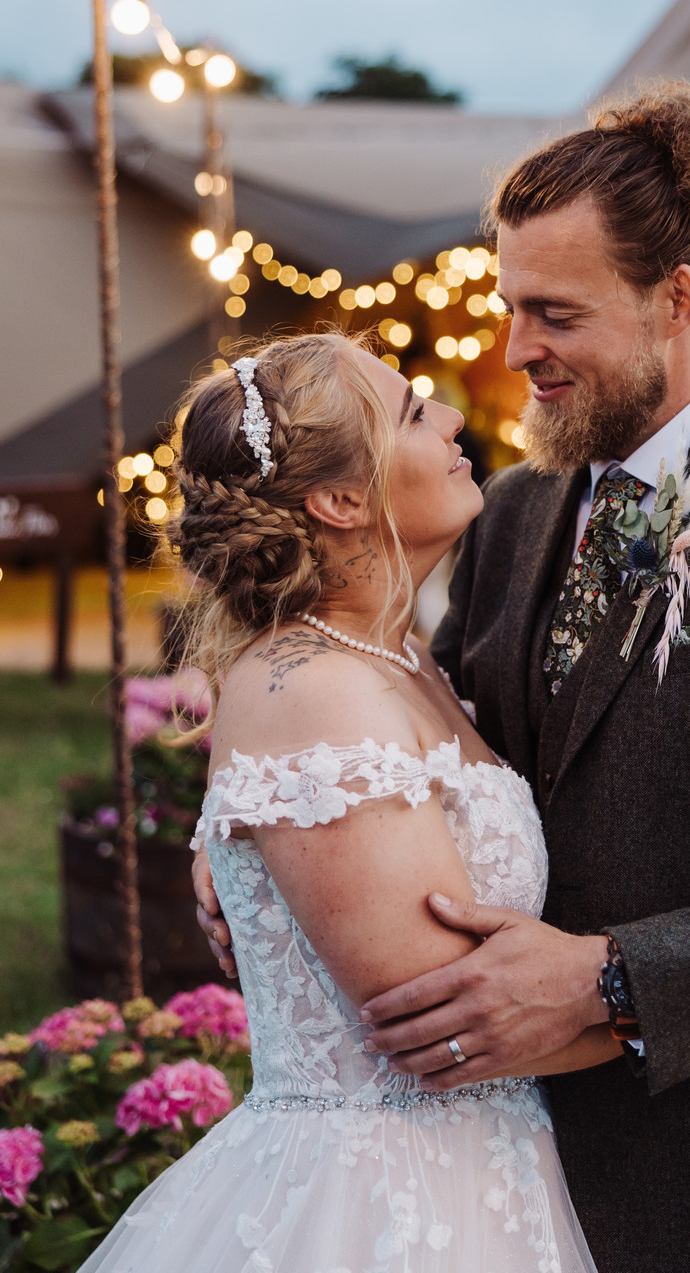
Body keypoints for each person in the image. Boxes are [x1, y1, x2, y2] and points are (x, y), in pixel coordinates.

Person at [197, 84, 690, 1273]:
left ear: (675, 301)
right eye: (511, 308)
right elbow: (424, 743)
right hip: (524, 1171)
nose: (516, 355)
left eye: (554, 314)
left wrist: (615, 980)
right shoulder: (513, 511)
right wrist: (259, 827)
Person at [84, 333, 611, 1273]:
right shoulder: (316, 689)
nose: (452, 418)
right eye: (413, 411)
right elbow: (443, 1023)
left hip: (478, 1176)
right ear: (340, 501)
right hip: (384, 1209)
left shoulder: (396, 658)